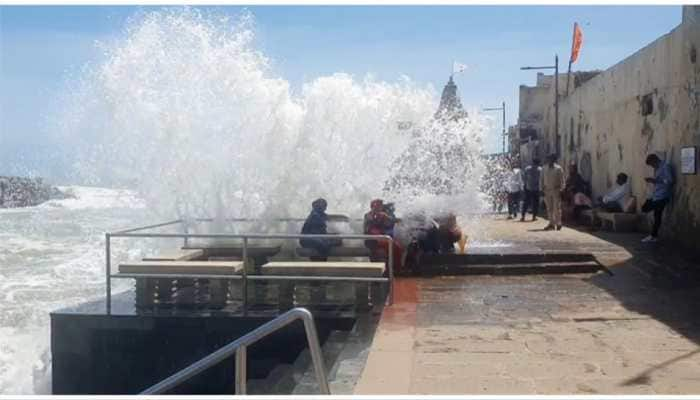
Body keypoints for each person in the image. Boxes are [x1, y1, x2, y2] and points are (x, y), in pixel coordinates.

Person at [641, 154, 674, 243]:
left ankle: (653, 236)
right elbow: (659, 181)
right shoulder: (657, 168)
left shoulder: (665, 167)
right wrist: (653, 181)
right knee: (645, 209)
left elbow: (670, 181)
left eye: (651, 164)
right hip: (656, 195)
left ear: (654, 160)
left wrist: (656, 181)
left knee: (657, 215)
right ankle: (653, 235)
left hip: (663, 196)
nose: (652, 166)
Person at [364, 199, 403, 272]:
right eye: (377, 206)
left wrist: (399, 220)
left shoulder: (383, 215)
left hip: (383, 239)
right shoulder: (368, 215)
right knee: (394, 246)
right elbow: (370, 229)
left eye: (380, 206)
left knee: (397, 247)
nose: (378, 207)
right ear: (372, 206)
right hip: (372, 240)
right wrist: (378, 216)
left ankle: (396, 269)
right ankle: (395, 269)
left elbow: (392, 220)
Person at [541, 153, 565, 231]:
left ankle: (558, 223)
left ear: (554, 160)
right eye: (548, 159)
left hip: (556, 190)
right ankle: (551, 223)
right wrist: (541, 190)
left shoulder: (558, 169)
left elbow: (562, 180)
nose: (549, 160)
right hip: (546, 190)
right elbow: (541, 179)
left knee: (556, 208)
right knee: (549, 208)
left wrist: (561, 189)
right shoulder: (544, 168)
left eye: (551, 159)